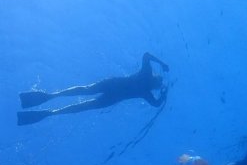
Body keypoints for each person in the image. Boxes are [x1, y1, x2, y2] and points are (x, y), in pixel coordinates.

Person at [17, 52, 169, 125]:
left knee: (85, 91)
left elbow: (146, 55)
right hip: (114, 94)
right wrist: (163, 94)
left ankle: (51, 98)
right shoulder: (146, 91)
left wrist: (161, 64)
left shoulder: (146, 76)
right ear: (155, 84)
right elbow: (156, 104)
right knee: (84, 103)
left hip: (113, 86)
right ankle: (51, 111)